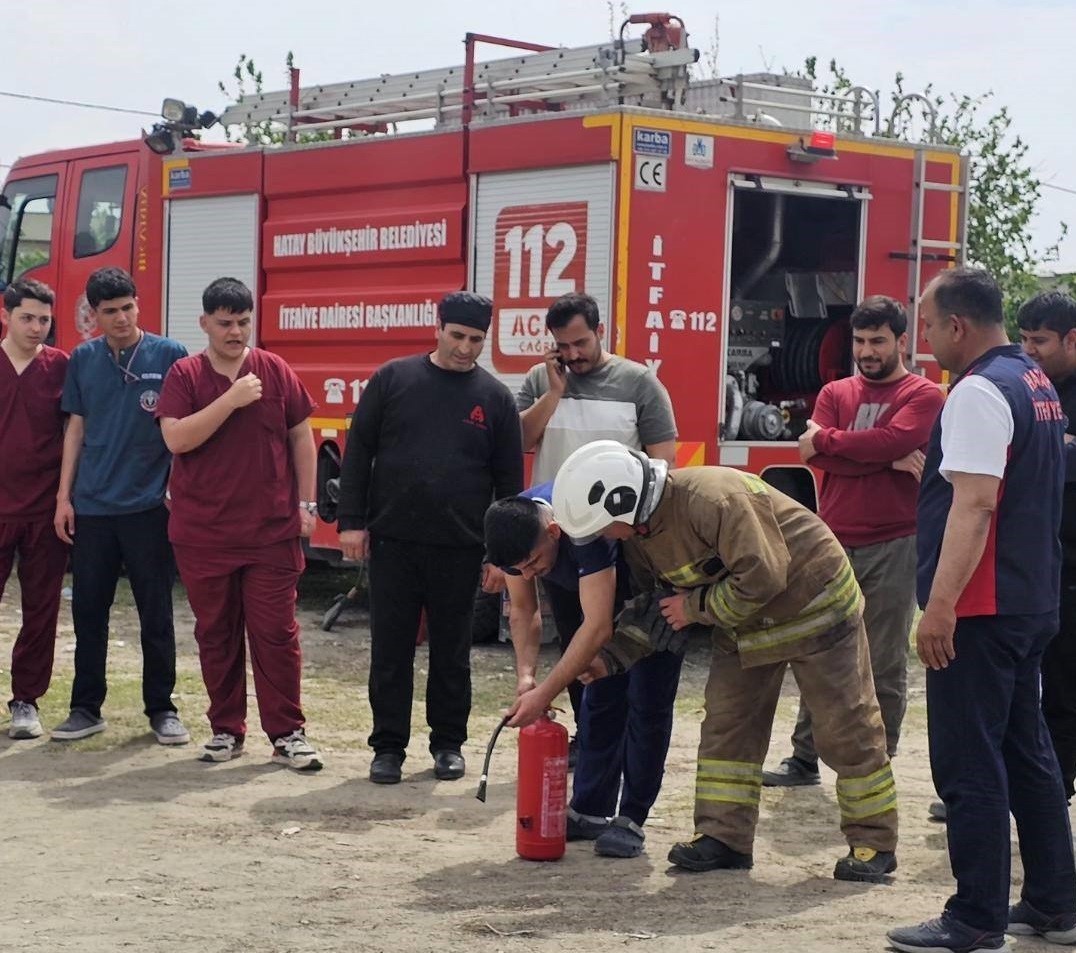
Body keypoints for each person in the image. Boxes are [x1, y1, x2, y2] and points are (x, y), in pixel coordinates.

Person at [552, 440, 898, 883]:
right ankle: (724, 838)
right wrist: (611, 659)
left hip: (815, 608)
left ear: (623, 502)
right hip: (744, 623)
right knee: (726, 728)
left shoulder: (714, 498)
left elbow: (765, 574)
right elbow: (656, 609)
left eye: (602, 526)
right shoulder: (641, 537)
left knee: (845, 728)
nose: (601, 537)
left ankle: (874, 843)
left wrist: (694, 608)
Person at [888, 268, 1076, 953]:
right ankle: (1055, 903)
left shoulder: (977, 392)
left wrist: (940, 608)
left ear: (957, 326)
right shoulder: (1034, 380)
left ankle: (973, 918)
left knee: (970, 761)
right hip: (1030, 598)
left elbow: (975, 503)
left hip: (982, 605)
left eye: (929, 326)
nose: (926, 339)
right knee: (1028, 752)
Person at [336, 292, 523, 784]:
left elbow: (509, 486)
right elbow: (358, 453)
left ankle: (448, 744)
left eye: (476, 339)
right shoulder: (393, 380)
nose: (465, 348)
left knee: (452, 651)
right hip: (394, 541)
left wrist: (502, 556)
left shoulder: (495, 399)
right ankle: (388, 748)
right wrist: (351, 522)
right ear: (437, 328)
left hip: (461, 548)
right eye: (457, 336)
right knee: (391, 648)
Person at [764, 295, 944, 786]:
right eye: (860, 341)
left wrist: (833, 442)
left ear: (902, 341)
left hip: (894, 542)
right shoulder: (835, 392)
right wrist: (883, 458)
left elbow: (880, 440)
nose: (866, 351)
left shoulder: (923, 395)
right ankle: (804, 759)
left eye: (877, 341)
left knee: (882, 660)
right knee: (817, 649)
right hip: (833, 542)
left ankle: (875, 765)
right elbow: (819, 458)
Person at [156, 278, 322, 770]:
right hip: (203, 533)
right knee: (217, 633)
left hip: (270, 531)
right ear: (204, 323)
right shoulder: (184, 375)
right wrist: (229, 400)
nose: (235, 331)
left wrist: (306, 505)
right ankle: (226, 729)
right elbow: (177, 440)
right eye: (225, 323)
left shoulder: (274, 369)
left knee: (276, 632)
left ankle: (288, 732)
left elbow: (301, 438)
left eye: (243, 322)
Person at [484, 486, 682, 859]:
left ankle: (631, 817)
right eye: (517, 569)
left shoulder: (583, 527)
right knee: (598, 697)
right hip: (599, 598)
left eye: (533, 563)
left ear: (554, 532)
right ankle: (590, 809)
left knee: (646, 701)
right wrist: (526, 678)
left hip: (653, 590)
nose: (528, 573)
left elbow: (598, 627)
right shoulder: (515, 527)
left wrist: (544, 694)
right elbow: (524, 611)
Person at [516, 291, 678, 744]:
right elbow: (520, 440)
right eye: (562, 346)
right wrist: (554, 393)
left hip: (623, 540)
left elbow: (664, 465)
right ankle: (588, 739)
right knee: (574, 641)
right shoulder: (540, 379)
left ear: (601, 331)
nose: (572, 355)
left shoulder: (640, 384)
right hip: (560, 538)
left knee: (617, 641)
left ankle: (617, 738)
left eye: (581, 343)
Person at [51, 267, 189, 744]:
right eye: (109, 311)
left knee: (156, 611)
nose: (121, 318)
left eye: (127, 307)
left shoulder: (170, 354)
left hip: (149, 506)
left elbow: (183, 429)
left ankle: (162, 709)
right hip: (91, 506)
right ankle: (86, 708)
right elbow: (76, 429)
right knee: (89, 610)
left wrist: (175, 490)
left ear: (138, 305)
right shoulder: (83, 359)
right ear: (94, 314)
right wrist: (63, 497)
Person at [0, 279, 70, 739]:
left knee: (41, 609)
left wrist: (66, 497)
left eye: (44, 319)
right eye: (27, 317)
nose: (37, 327)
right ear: (5, 315)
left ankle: (26, 700)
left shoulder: (62, 367)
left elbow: (74, 433)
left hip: (45, 509)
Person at [1018, 290, 1076, 802]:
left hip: (1071, 571)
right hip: (1037, 568)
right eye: (1025, 339)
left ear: (1072, 339)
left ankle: (1052, 796)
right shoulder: (1032, 392)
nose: (1030, 350)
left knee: (1062, 694)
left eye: (1041, 340)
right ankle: (1025, 790)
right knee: (1024, 692)